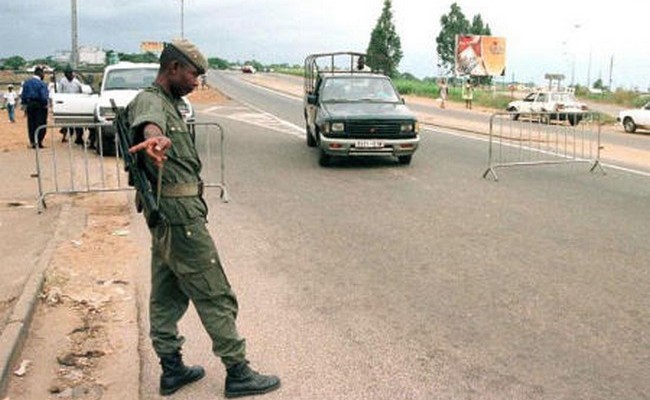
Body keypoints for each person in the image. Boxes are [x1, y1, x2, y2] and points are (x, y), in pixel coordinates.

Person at [125, 39, 281, 398]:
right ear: (174, 68)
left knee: (165, 293)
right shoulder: (152, 101)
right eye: (195, 74)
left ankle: (172, 369)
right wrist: (155, 139)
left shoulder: (169, 102)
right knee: (215, 293)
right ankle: (238, 371)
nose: (198, 82)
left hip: (166, 216)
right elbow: (151, 125)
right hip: (181, 220)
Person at [20, 66, 49, 148]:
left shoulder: (27, 83)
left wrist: (25, 105)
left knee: (31, 124)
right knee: (41, 123)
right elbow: (43, 96)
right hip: (40, 105)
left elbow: (23, 95)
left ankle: (32, 142)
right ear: (40, 73)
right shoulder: (42, 84)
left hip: (30, 105)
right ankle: (39, 142)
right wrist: (45, 104)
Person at [57, 65, 85, 144]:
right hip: (66, 103)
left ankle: (78, 137)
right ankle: (64, 136)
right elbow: (59, 92)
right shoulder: (62, 81)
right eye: (66, 73)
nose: (68, 75)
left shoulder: (77, 82)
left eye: (69, 73)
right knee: (65, 122)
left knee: (78, 122)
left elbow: (81, 92)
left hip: (76, 103)